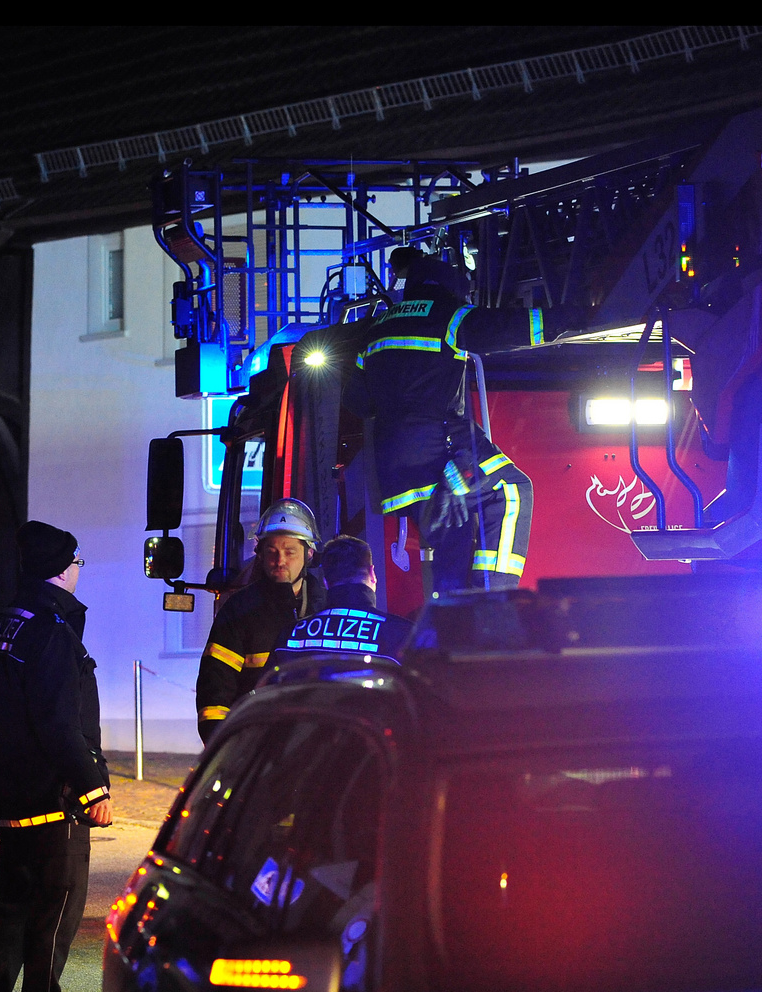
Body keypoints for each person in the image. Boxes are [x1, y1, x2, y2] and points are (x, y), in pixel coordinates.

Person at [0, 521, 109, 992]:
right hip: (54, 790)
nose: (80, 570)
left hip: (12, 786)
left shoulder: (7, 622)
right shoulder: (50, 630)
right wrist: (91, 788)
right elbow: (60, 722)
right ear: (63, 570)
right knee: (56, 909)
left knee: (14, 902)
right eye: (78, 562)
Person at [358, 247, 581, 595]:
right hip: (441, 451)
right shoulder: (449, 315)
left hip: (393, 466)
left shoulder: (374, 329)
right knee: (512, 490)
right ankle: (493, 597)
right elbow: (509, 328)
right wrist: (572, 318)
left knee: (456, 536)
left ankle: (458, 617)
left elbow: (357, 400)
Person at [195, 498, 328, 744]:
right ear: (260, 554)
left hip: (317, 749)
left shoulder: (328, 607)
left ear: (309, 554)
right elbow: (215, 692)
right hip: (258, 749)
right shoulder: (239, 610)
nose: (280, 561)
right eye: (272, 552)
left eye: (290, 552)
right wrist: (225, 750)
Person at [272, 535, 412, 666]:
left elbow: (268, 688)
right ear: (372, 574)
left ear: (325, 581)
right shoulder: (403, 635)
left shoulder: (290, 636)